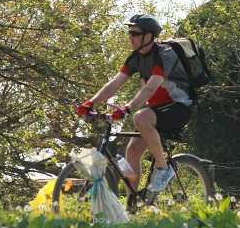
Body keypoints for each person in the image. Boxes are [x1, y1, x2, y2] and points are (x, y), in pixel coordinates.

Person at [77, 14, 193, 192]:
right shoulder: (135, 58)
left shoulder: (164, 55)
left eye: (134, 33)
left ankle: (164, 169)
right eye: (129, 32)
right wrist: (90, 103)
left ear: (148, 36)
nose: (130, 37)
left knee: (140, 117)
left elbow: (150, 89)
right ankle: (133, 206)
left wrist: (128, 108)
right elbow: (114, 84)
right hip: (157, 110)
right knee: (131, 152)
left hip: (179, 106)